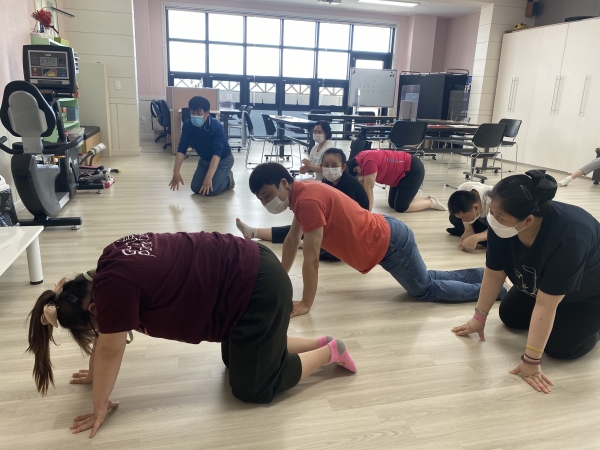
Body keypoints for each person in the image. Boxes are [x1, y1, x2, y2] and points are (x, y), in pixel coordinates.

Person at [26, 232, 356, 438]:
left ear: (94, 309)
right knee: (236, 359)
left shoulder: (114, 294)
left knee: (253, 387)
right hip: (251, 265)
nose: (100, 332)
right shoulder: (108, 264)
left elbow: (110, 349)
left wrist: (99, 407)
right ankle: (318, 342)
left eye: (92, 328)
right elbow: (105, 341)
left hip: (258, 289)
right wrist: (95, 375)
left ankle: (332, 351)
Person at [248, 163, 506, 317]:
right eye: (261, 199)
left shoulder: (306, 200)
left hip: (389, 244)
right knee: (426, 278)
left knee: (424, 289)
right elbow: (292, 239)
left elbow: (311, 259)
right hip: (388, 235)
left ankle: (494, 290)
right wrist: (281, 277)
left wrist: (306, 303)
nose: (266, 202)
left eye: (267, 195)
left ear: (284, 183)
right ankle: (483, 275)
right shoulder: (301, 194)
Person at [452, 171, 600, 394]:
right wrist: (478, 319)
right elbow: (494, 273)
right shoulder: (502, 223)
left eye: (499, 215)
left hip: (586, 293)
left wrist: (531, 361)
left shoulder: (570, 236)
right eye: (491, 211)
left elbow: (546, 305)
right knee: (510, 315)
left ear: (528, 220)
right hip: (541, 285)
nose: (492, 218)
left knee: (561, 348)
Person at [236, 148, 369, 262]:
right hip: (332, 224)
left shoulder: (347, 185)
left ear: (343, 167)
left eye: (334, 165)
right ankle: (254, 232)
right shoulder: (324, 183)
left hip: (351, 231)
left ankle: (305, 243)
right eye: (326, 165)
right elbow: (293, 238)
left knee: (320, 242)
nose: (329, 169)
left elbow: (347, 219)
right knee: (300, 227)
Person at [169, 96, 234, 196]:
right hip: (205, 160)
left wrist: (209, 177)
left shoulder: (217, 127)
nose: (195, 116)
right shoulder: (188, 125)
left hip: (223, 159)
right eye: (192, 112)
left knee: (211, 190)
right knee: (196, 188)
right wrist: (176, 172)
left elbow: (217, 154)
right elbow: (182, 149)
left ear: (207, 113)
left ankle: (229, 179)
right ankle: (215, 175)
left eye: (199, 114)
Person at [346, 150, 447, 213]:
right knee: (392, 204)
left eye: (356, 177)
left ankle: (431, 202)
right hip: (398, 175)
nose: (359, 178)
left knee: (401, 207)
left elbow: (368, 189)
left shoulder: (369, 163)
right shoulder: (359, 157)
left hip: (412, 170)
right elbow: (362, 186)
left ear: (356, 169)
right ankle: (422, 198)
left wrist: (368, 213)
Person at [446, 181, 493, 251]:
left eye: (465, 217)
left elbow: (497, 228)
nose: (463, 220)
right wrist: (468, 229)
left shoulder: (492, 203)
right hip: (482, 220)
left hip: (499, 224)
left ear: (476, 207)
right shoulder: (464, 188)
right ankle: (470, 234)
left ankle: (469, 235)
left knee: (496, 242)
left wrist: (476, 238)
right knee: (453, 218)